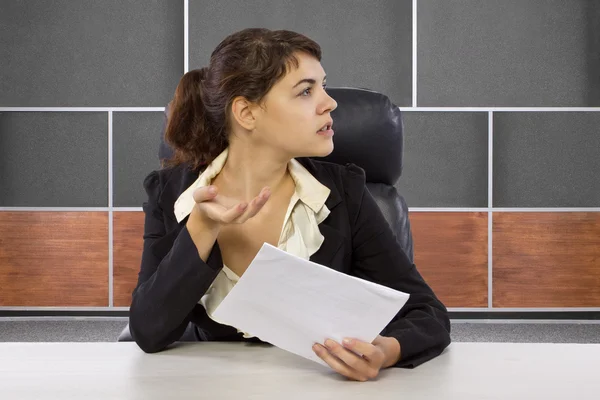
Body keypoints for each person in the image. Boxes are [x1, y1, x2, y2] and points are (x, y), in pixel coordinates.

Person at [129, 28, 451, 381]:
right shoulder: (171, 193)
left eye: (323, 86)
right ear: (247, 114)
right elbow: (148, 331)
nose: (329, 103)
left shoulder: (343, 192)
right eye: (306, 91)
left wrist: (385, 351)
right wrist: (202, 230)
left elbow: (427, 312)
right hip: (206, 384)